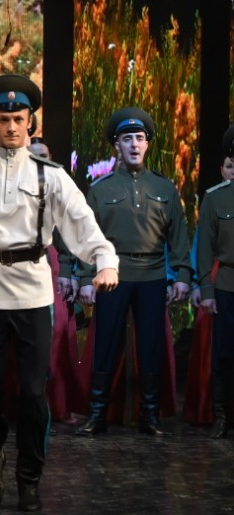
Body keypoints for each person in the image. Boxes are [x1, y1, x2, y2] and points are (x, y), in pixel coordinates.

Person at [0, 75, 119, 511]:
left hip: (34, 294)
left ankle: (29, 475)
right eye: (4, 119)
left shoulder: (50, 176)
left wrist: (105, 260)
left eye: (19, 119)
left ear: (30, 122)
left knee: (34, 392)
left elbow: (81, 222)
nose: (12, 126)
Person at [73, 108, 193, 437]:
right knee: (106, 344)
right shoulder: (100, 189)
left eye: (140, 138)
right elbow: (87, 238)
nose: (134, 144)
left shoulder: (165, 188)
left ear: (148, 144)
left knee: (151, 346)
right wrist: (85, 278)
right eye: (127, 139)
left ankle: (150, 416)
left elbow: (179, 237)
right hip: (112, 275)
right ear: (118, 146)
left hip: (153, 275)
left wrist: (183, 275)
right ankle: (97, 414)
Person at [194, 126, 234, 438]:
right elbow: (205, 249)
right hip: (226, 285)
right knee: (224, 353)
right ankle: (222, 416)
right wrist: (206, 289)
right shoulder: (216, 198)